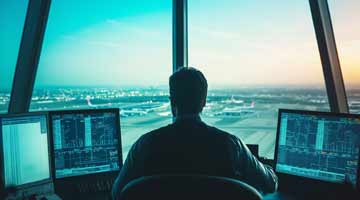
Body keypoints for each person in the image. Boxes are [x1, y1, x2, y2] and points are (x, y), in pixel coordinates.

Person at [112, 67, 278, 199]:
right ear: (204, 102)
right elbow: (270, 184)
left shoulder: (145, 144)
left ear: (172, 101)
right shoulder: (231, 144)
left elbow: (118, 193)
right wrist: (264, 165)